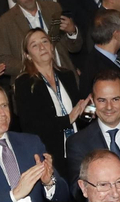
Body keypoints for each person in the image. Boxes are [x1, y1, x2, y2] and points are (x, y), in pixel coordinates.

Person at [8, 28, 87, 163]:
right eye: (34, 45)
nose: (42, 47)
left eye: (45, 41)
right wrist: (67, 119)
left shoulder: (67, 75)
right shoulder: (24, 82)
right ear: (28, 55)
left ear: (51, 47)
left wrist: (89, 110)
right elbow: (31, 126)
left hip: (77, 149)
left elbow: (79, 116)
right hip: (49, 154)